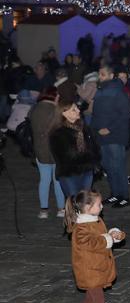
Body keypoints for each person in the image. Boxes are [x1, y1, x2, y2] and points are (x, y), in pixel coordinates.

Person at [64, 189, 126, 303]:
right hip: (88, 270)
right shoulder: (80, 228)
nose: (102, 207)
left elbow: (102, 235)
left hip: (96, 268)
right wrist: (107, 238)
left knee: (91, 296)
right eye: (99, 204)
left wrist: (115, 233)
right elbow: (92, 243)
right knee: (98, 298)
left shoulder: (94, 219)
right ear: (87, 207)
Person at [90, 65, 130, 207]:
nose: (100, 77)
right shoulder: (101, 91)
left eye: (102, 74)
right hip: (102, 135)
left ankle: (124, 196)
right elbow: (96, 113)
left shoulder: (117, 91)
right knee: (108, 166)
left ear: (110, 75)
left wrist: (109, 128)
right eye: (99, 74)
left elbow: (125, 114)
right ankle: (115, 194)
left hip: (115, 135)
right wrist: (96, 129)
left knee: (118, 166)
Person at [50, 99, 99, 198]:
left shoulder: (84, 128)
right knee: (74, 202)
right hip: (69, 173)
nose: (78, 110)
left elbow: (94, 146)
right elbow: (69, 155)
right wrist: (89, 156)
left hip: (87, 171)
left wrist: (94, 160)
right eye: (73, 109)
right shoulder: (58, 134)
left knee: (85, 202)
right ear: (64, 114)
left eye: (77, 108)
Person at [29, 87, 64, 218]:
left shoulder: (34, 109)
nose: (59, 98)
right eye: (58, 96)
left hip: (40, 149)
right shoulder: (56, 111)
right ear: (53, 96)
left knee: (44, 180)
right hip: (55, 150)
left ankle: (43, 210)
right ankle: (61, 209)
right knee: (57, 180)